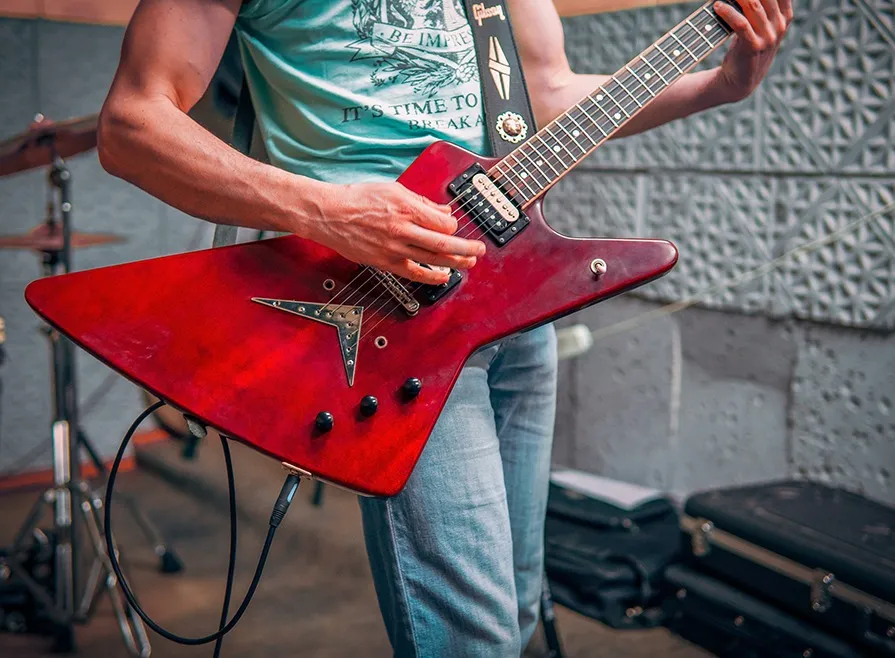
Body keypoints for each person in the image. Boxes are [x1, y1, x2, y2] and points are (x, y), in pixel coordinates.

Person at [97, 0, 791, 654]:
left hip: (510, 302)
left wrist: (716, 87)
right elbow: (133, 125)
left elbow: (543, 94)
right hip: (380, 318)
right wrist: (325, 210)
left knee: (516, 608)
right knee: (472, 634)